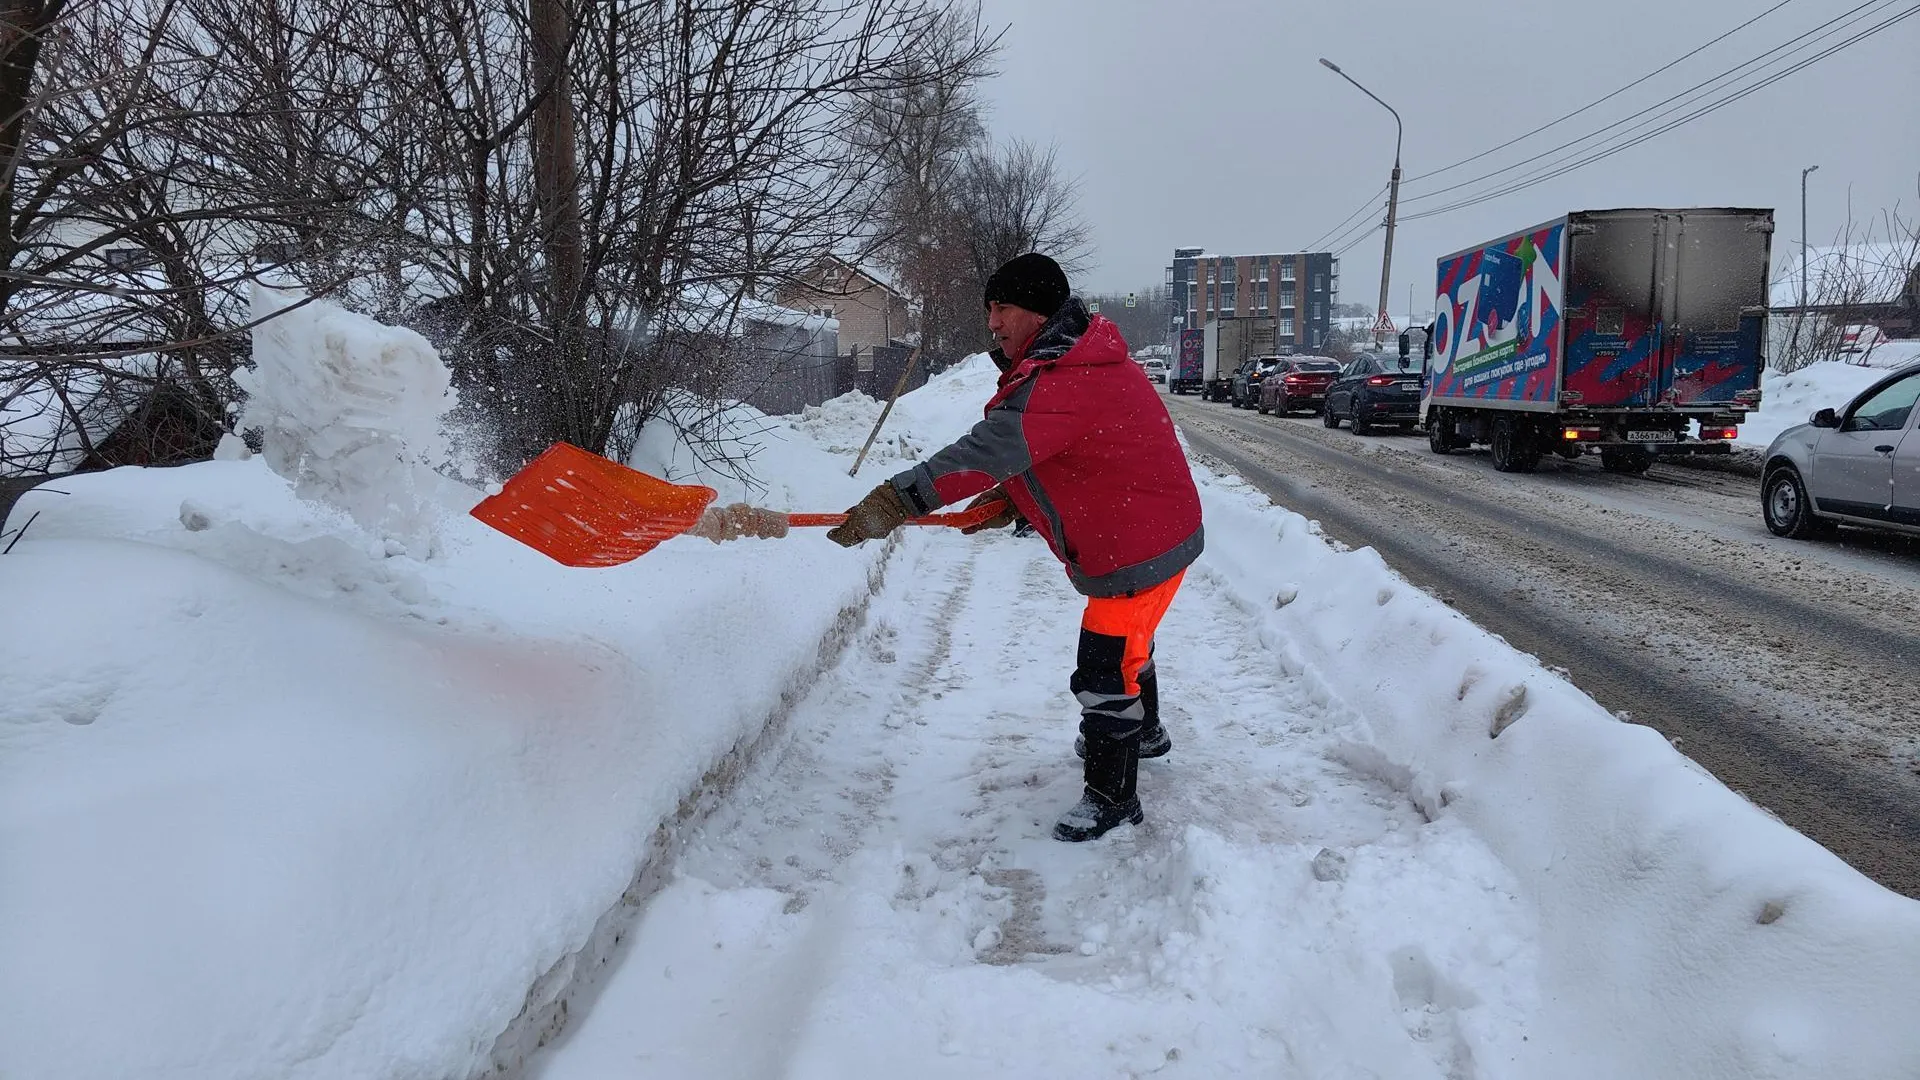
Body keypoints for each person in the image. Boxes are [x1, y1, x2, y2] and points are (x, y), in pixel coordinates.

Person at [827, 252, 1203, 842]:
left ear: (1037, 310)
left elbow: (984, 452)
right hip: (1157, 534)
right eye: (989, 309)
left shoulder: (1064, 379)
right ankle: (1146, 732)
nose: (993, 322)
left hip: (1134, 550)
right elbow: (1065, 455)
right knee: (1133, 642)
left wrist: (899, 500)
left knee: (1105, 671)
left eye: (1002, 307)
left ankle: (1113, 795)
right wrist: (1013, 500)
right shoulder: (1079, 360)